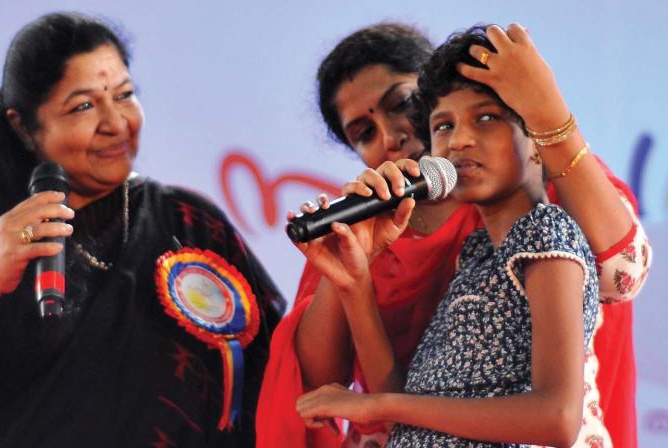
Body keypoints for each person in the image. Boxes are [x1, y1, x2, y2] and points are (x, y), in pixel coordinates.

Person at [0, 12, 284, 447]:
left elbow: (284, 369)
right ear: (23, 126)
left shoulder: (192, 223)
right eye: (82, 106)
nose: (115, 123)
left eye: (124, 95)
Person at [256, 23, 650, 448]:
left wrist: (547, 111)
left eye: (402, 104)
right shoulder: (457, 251)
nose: (391, 137)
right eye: (364, 133)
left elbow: (621, 273)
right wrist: (352, 281)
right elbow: (319, 396)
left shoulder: (548, 203)